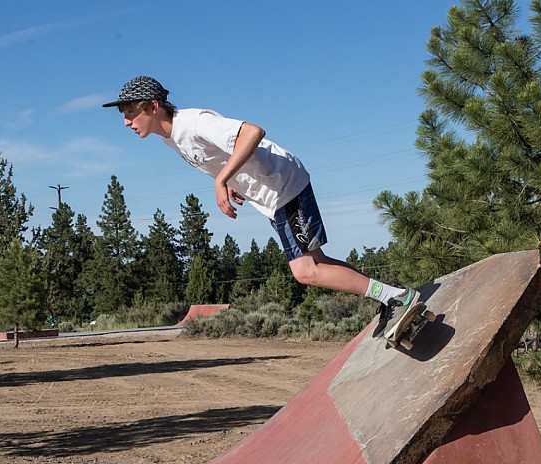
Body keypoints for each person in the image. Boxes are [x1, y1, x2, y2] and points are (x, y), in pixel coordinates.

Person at [103, 75, 416, 338]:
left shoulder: (194, 123)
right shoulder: (172, 139)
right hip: (273, 195)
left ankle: (397, 297)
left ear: (153, 106)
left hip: (283, 185)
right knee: (317, 261)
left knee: (305, 272)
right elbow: (224, 158)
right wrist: (233, 182)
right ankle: (388, 294)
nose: (126, 121)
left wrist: (222, 180)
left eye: (130, 112)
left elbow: (252, 132)